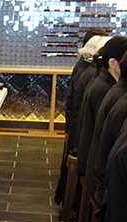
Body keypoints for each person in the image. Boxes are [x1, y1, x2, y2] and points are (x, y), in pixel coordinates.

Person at [55, 28, 108, 205]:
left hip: (76, 128)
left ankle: (63, 198)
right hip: (81, 134)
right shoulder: (94, 75)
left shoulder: (86, 68)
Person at [76, 36, 127, 184]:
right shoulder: (107, 89)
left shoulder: (108, 85)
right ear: (113, 63)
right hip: (97, 176)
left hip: (94, 167)